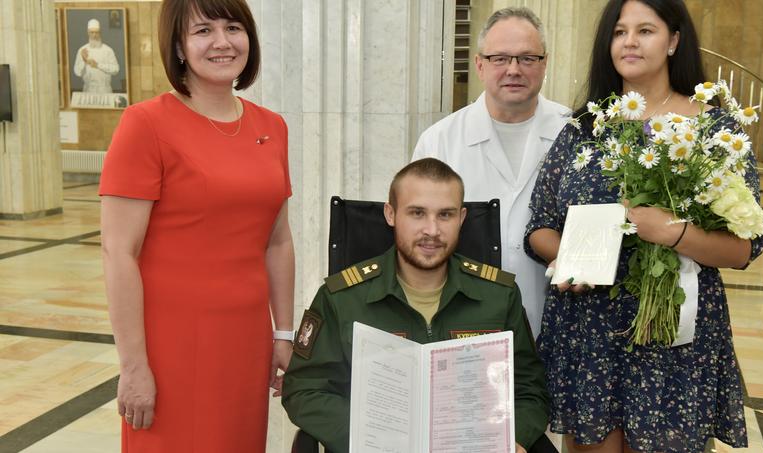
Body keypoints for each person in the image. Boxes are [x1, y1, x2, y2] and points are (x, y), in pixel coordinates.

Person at [524, 1, 763, 452]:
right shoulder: (584, 128)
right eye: (619, 32)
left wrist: (672, 232)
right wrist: (570, 258)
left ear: (674, 40)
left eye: (645, 30)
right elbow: (539, 226)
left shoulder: (713, 131)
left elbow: (743, 249)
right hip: (589, 330)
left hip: (673, 338)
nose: (629, 42)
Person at [99, 0, 294, 451]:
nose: (222, 42)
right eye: (203, 31)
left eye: (233, 28)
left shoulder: (272, 127)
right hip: (173, 345)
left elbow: (278, 241)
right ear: (178, 47)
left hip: (245, 340)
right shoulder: (145, 124)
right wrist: (133, 366)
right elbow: (118, 252)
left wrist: (282, 333)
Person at [282, 158, 549, 453]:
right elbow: (304, 390)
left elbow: (530, 391)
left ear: (461, 218)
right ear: (391, 214)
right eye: (417, 213)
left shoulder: (499, 296)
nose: (431, 230)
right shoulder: (341, 298)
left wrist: (514, 440)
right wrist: (369, 438)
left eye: (445, 214)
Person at [413, 7, 570, 337]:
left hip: (561, 319)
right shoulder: (439, 141)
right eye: (500, 58)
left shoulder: (575, 132)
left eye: (527, 58)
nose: (514, 69)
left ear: (545, 63)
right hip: (465, 326)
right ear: (480, 65)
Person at [73, 19, 120, 93]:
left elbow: (115, 69)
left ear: (100, 33)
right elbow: (78, 72)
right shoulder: (82, 50)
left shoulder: (108, 50)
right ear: (88, 33)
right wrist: (84, 61)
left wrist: (97, 65)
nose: (94, 35)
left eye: (96, 32)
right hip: (88, 90)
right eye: (92, 32)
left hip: (105, 90)